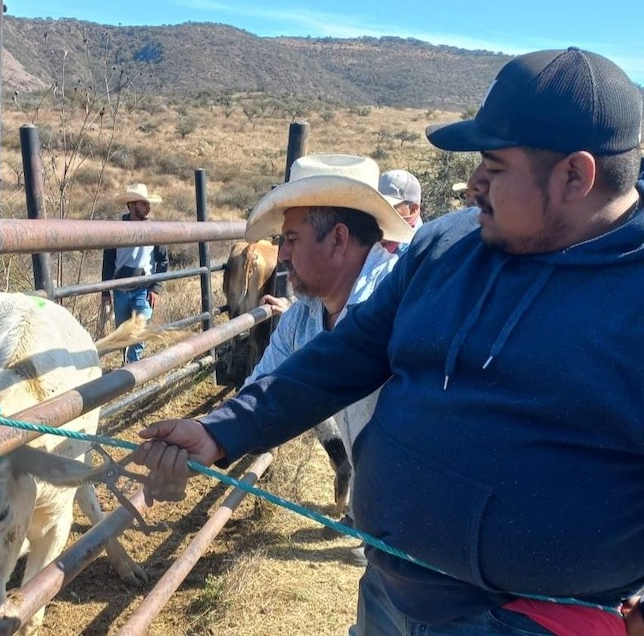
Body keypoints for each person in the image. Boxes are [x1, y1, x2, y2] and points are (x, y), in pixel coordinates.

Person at [130, 47, 644, 636]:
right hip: (392, 584)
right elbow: (346, 355)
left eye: (495, 167)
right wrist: (222, 428)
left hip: (531, 618)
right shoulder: (447, 247)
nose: (473, 184)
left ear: (575, 176)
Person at [242, 154, 414, 564]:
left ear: (337, 239)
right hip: (382, 534)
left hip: (428, 535)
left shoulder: (404, 305)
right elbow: (260, 390)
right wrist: (204, 436)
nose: (281, 254)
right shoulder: (303, 315)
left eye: (291, 239)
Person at [100, 183, 169, 363]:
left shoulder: (155, 230)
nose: (148, 207)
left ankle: (133, 363)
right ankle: (125, 361)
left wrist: (155, 288)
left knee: (139, 326)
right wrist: (105, 291)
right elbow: (108, 261)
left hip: (143, 288)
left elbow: (163, 260)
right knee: (123, 330)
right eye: (143, 204)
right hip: (120, 287)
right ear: (131, 206)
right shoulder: (116, 230)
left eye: (147, 203)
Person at [378, 169, 423, 255]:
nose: (381, 214)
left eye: (389, 208)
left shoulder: (418, 252)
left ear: (413, 209)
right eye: (377, 206)